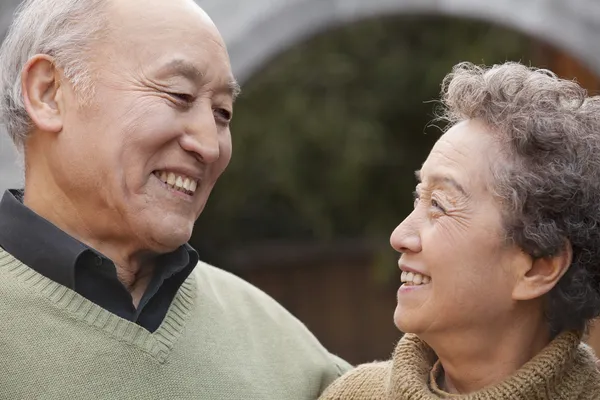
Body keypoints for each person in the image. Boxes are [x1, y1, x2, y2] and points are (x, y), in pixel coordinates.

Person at [0, 0, 351, 398]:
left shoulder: (285, 350)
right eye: (179, 95)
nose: (209, 145)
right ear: (48, 93)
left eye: (222, 113)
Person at [320, 62, 600, 399]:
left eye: (439, 204)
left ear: (539, 266)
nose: (399, 237)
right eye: (417, 197)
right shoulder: (352, 395)